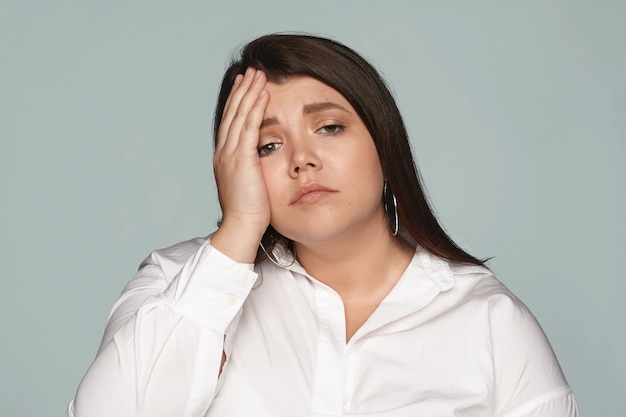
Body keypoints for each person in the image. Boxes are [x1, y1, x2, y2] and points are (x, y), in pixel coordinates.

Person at [67, 34, 579, 417]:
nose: (301, 160)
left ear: (383, 140)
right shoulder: (177, 284)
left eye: (329, 127)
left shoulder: (490, 321)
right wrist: (238, 229)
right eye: (267, 145)